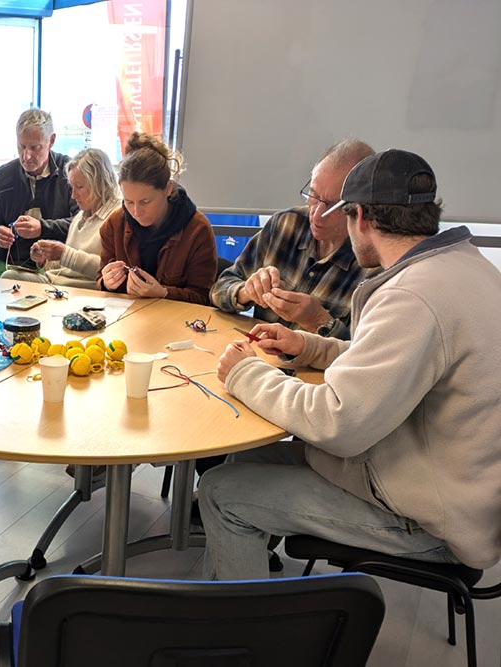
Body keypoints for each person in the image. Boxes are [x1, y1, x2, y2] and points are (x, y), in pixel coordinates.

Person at [203, 149, 501, 581]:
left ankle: (247, 623)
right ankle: (238, 579)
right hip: (444, 482)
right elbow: (385, 364)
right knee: (248, 456)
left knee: (219, 492)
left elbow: (336, 424)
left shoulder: (412, 295)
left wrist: (245, 373)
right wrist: (308, 346)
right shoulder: (461, 267)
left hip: (430, 519)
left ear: (358, 216)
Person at [211, 139, 375, 339]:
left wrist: (319, 320)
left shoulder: (373, 264)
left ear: (359, 208)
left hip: (309, 361)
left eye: (332, 207)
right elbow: (219, 289)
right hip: (256, 352)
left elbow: (366, 351)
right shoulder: (286, 224)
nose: (317, 215)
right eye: (313, 196)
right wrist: (245, 292)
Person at [98, 132, 216, 304]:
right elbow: (100, 282)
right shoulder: (114, 224)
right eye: (128, 202)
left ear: (168, 189)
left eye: (145, 202)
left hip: (175, 319)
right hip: (126, 317)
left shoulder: (197, 230)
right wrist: (107, 283)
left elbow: (204, 298)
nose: (136, 212)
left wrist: (164, 293)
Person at [0, 108, 77, 277]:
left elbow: (82, 225)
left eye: (35, 148)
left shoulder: (71, 172)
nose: (26, 156)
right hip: (7, 260)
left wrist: (42, 228)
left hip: (56, 262)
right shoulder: (2, 176)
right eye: (21, 146)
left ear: (51, 141)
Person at [1, 148, 119, 288]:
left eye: (79, 187)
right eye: (72, 187)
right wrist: (47, 258)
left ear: (100, 183)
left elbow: (111, 270)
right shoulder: (80, 216)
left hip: (82, 289)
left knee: (9, 281)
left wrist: (64, 254)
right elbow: (66, 268)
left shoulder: (116, 216)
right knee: (8, 278)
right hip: (57, 283)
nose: (73, 196)